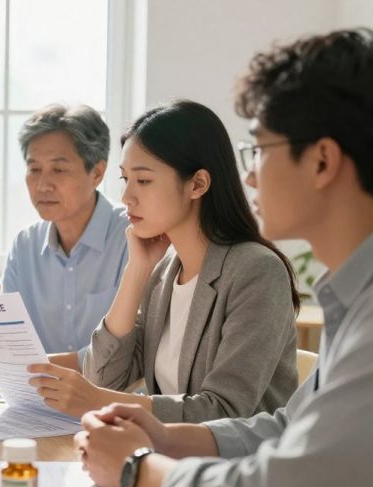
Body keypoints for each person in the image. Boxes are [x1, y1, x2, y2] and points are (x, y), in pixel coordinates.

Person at [75, 28, 373, 487]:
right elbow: (286, 430)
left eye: (260, 149)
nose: (248, 172)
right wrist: (163, 434)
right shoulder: (367, 292)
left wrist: (137, 468)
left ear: (322, 161)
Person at [28, 99, 300, 423]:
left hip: (236, 468)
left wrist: (99, 401)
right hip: (169, 460)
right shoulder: (163, 272)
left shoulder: (257, 271)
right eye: (125, 179)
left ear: (197, 184)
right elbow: (103, 378)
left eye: (143, 180)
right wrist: (136, 271)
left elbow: (225, 412)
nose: (127, 196)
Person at [0, 104, 128, 389]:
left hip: (115, 406)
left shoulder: (131, 237)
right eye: (34, 169)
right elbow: (7, 342)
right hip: (38, 402)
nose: (42, 184)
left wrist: (23, 368)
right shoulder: (25, 245)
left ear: (97, 173)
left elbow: (126, 353)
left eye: (59, 169)